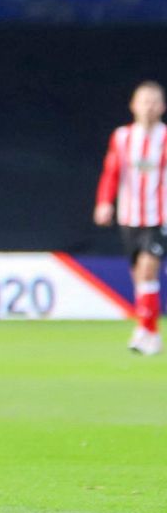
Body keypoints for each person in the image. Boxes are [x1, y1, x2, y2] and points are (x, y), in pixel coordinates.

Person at [94, 80, 165, 356]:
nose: (148, 107)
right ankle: (152, 332)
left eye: (153, 101)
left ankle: (142, 330)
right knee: (139, 276)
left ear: (162, 107)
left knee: (149, 269)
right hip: (129, 216)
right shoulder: (122, 137)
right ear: (133, 105)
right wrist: (103, 203)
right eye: (143, 101)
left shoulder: (165, 138)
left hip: (159, 216)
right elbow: (112, 172)